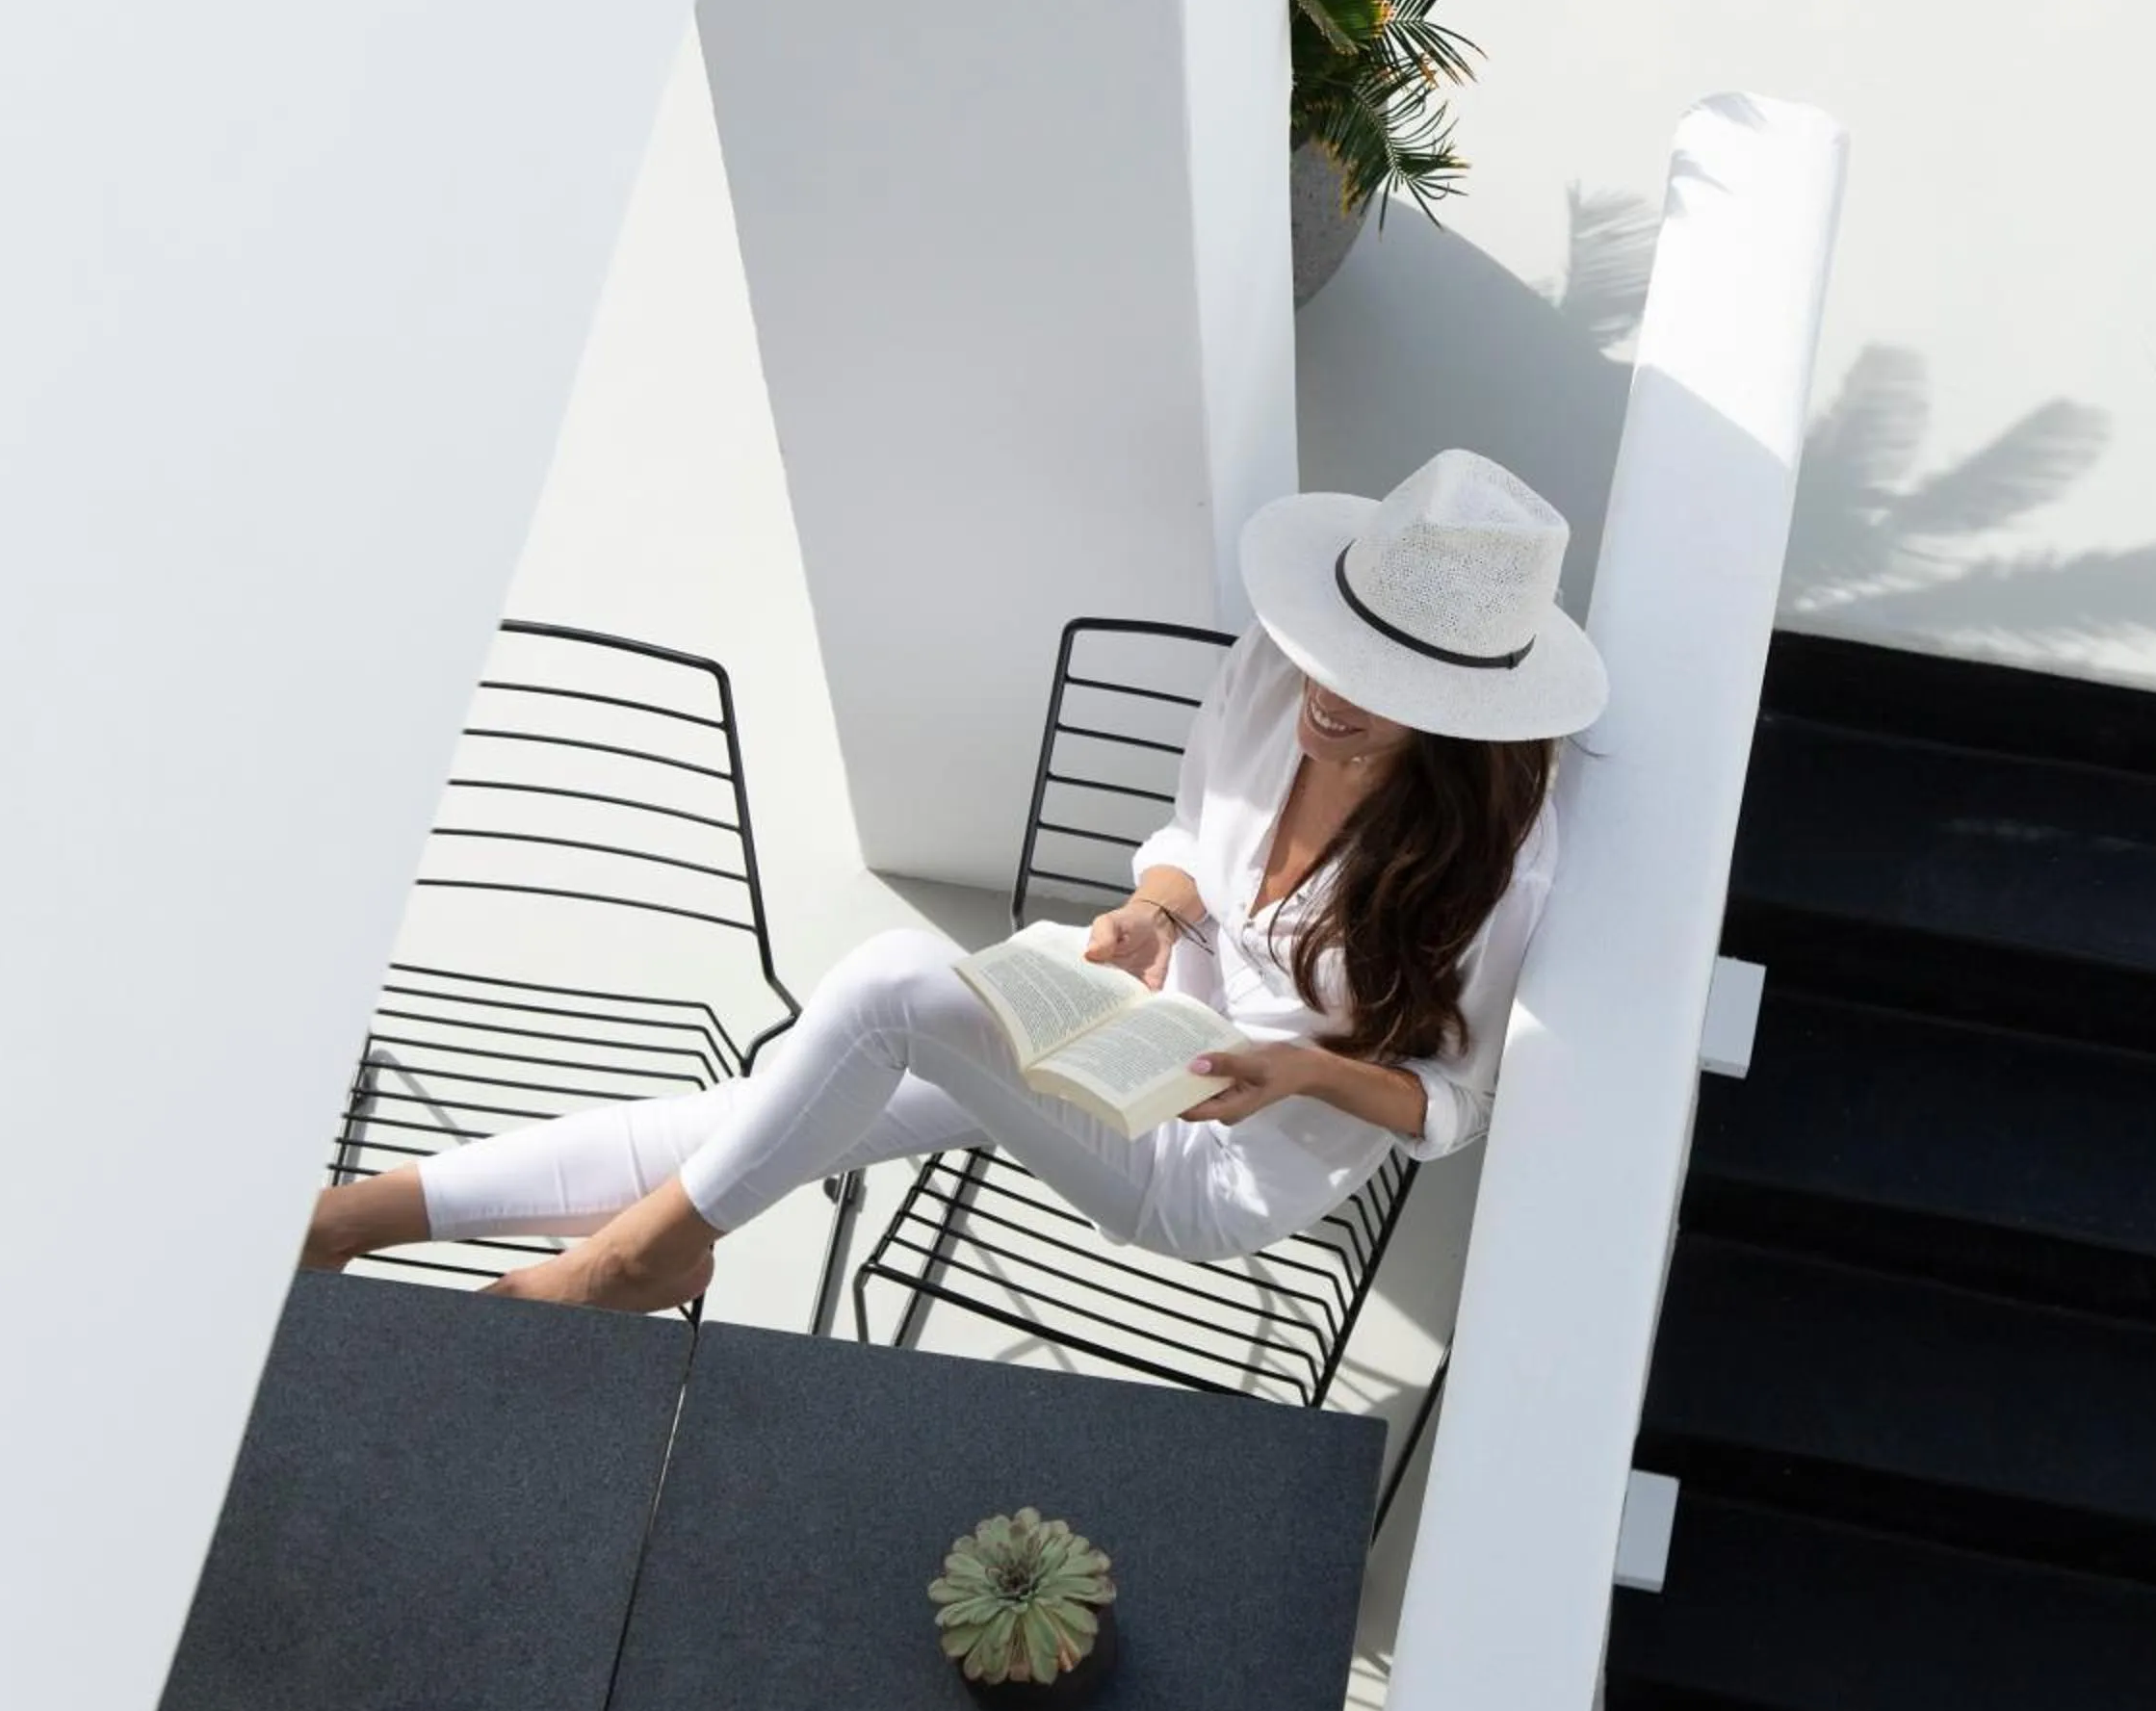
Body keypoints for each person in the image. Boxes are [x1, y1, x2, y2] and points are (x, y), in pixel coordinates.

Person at [301, 448, 1609, 1312]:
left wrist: (1306, 1072)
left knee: (884, 989)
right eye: (1330, 657)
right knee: (776, 1106)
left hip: (1209, 1157)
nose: (1324, 698)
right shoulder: (1278, 672)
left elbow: (1453, 1103)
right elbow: (1193, 845)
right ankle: (354, 1221)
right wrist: (1156, 912)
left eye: (1372, 698)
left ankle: (637, 1257)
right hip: (1118, 1029)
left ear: (1455, 715)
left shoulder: (1500, 865)